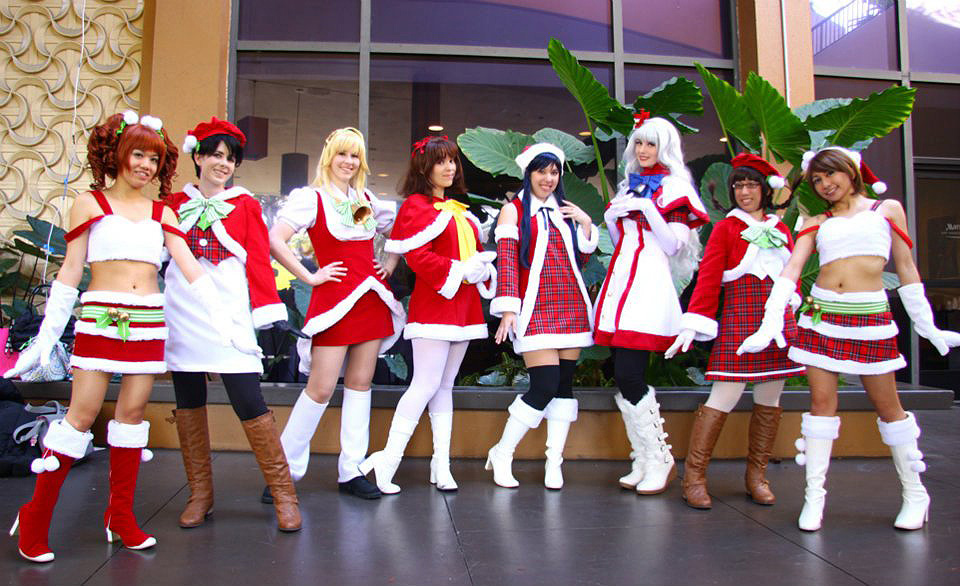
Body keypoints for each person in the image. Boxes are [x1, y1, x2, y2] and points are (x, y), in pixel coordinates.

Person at [6, 111, 236, 562]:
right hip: (100, 320)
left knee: (131, 416)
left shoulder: (162, 211)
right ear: (117, 155)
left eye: (154, 159)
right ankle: (34, 516)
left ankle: (121, 518)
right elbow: (71, 270)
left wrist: (224, 323)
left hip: (148, 321)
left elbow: (189, 266)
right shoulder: (89, 203)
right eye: (138, 155)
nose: (145, 166)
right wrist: (45, 339)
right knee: (80, 416)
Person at [737, 146, 960, 531]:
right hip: (821, 318)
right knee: (821, 405)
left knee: (889, 408)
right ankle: (814, 498)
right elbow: (791, 268)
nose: (825, 184)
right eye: (817, 180)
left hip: (870, 318)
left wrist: (926, 324)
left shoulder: (886, 209)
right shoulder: (816, 221)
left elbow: (906, 267)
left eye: (831, 174)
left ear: (850, 171)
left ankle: (915, 494)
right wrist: (770, 321)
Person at [165, 117, 300, 531]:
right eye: (215, 155)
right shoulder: (171, 204)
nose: (223, 164)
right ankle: (200, 495)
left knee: (249, 400)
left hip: (229, 311)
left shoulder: (246, 205)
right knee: (188, 401)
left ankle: (284, 495)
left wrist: (266, 310)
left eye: (230, 158)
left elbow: (259, 260)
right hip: (183, 311)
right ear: (198, 157)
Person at [268, 127, 405, 500]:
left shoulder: (364, 199)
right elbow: (274, 239)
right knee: (321, 387)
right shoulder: (311, 199)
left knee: (361, 384)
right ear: (329, 157)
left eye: (355, 155)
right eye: (343, 154)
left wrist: (389, 263)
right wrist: (310, 276)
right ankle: (283, 471)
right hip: (334, 301)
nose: (349, 161)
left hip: (371, 299)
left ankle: (351, 471)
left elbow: (400, 230)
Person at [665, 153, 804, 509]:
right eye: (738, 185)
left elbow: (793, 277)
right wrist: (694, 322)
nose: (744, 192)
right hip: (739, 322)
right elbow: (709, 279)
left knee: (770, 401)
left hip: (778, 324)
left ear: (765, 190)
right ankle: (694, 478)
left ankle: (757, 477)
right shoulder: (726, 228)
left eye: (751, 185)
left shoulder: (781, 229)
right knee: (721, 398)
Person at [358, 135, 496, 494]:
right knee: (424, 384)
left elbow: (470, 254)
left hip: (464, 306)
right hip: (434, 304)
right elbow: (418, 258)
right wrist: (461, 270)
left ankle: (441, 464)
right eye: (440, 161)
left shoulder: (456, 208)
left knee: (444, 386)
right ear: (425, 167)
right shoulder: (416, 207)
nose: (449, 167)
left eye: (452, 161)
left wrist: (481, 268)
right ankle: (387, 462)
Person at [594, 112, 708, 494]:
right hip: (621, 283)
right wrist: (615, 217)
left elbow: (673, 244)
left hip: (647, 286)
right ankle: (644, 458)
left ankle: (660, 459)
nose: (643, 150)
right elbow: (621, 239)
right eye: (639, 142)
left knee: (630, 373)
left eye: (651, 143)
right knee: (623, 373)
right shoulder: (631, 185)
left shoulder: (673, 188)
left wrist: (648, 210)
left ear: (665, 147)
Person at [487, 143, 597, 489]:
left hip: (571, 306)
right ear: (528, 173)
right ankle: (502, 453)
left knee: (563, 387)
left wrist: (586, 224)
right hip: (535, 309)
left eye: (554, 172)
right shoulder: (513, 210)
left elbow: (579, 260)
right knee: (544, 385)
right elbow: (507, 261)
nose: (548, 179)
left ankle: (554, 462)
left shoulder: (563, 210)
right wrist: (509, 308)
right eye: (541, 171)